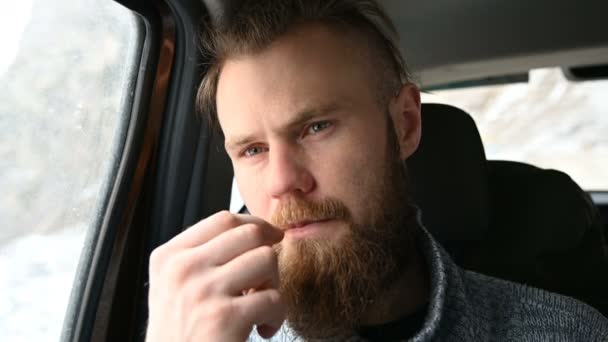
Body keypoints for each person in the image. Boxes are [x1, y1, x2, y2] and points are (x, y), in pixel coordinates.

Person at [144, 0, 608, 341]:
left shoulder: (567, 333)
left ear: (404, 124)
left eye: (316, 127)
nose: (282, 181)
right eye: (252, 150)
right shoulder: (199, 333)